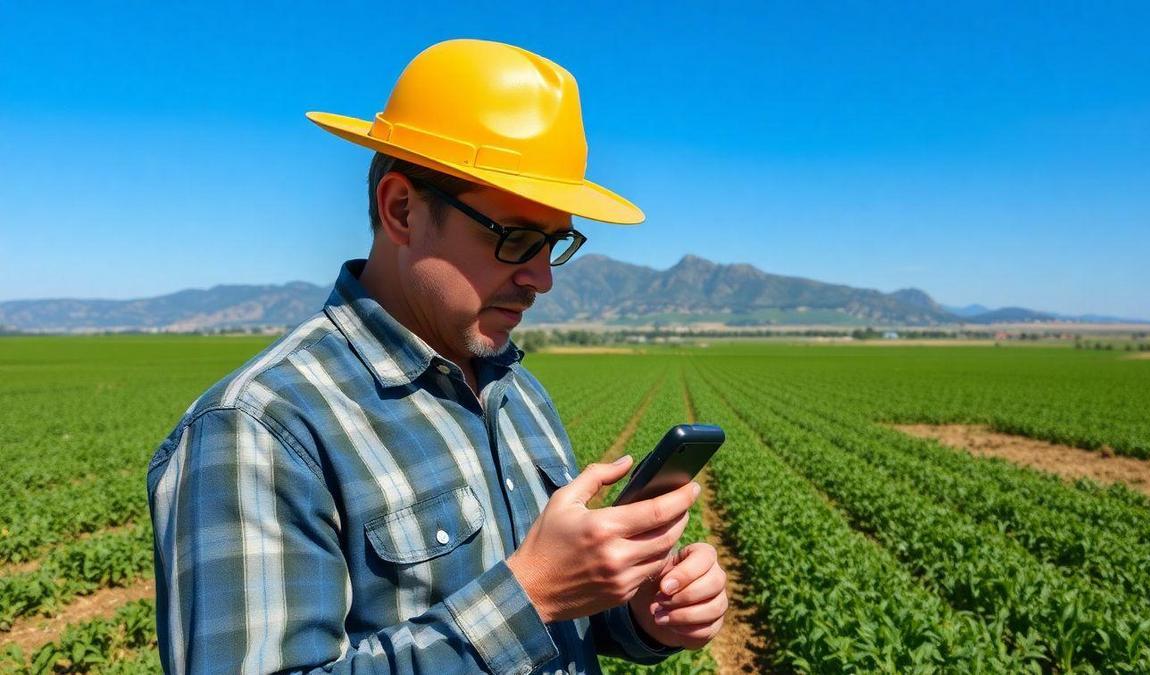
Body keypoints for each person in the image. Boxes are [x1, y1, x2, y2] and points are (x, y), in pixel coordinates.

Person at [147, 38, 728, 674]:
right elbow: (533, 601)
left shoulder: (517, 391)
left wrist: (641, 613)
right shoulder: (261, 428)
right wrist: (529, 596)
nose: (542, 278)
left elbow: (564, 623)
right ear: (402, 209)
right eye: (515, 238)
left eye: (554, 244)